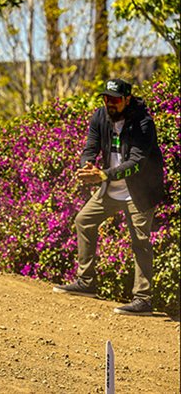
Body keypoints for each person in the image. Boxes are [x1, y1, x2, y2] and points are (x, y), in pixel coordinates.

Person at [53, 78, 165, 316]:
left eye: (114, 99)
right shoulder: (100, 116)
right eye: (106, 98)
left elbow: (136, 163)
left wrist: (102, 175)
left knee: (140, 242)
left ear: (127, 99)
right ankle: (86, 282)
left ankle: (143, 299)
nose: (109, 104)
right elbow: (90, 148)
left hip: (140, 191)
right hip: (110, 187)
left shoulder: (143, 123)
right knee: (84, 221)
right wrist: (87, 166)